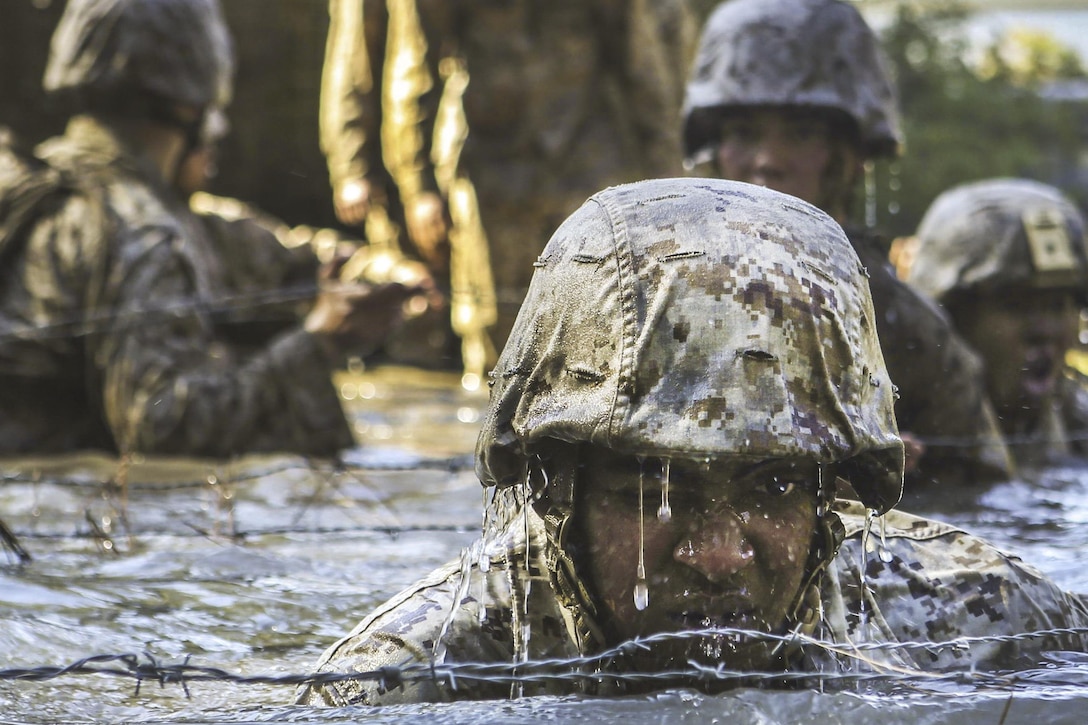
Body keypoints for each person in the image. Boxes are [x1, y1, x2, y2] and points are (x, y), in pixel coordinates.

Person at [295, 178, 1088, 707]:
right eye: (652, 487)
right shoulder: (412, 679)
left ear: (834, 496)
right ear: (554, 486)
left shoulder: (984, 617)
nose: (716, 556)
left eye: (775, 485)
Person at [0, 0, 417, 457]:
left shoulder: (36, 185)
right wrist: (318, 345)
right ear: (188, 104)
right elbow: (164, 431)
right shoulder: (142, 234)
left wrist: (377, 268)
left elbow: (268, 252)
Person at [681, 0, 1012, 488]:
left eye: (801, 134)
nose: (767, 160)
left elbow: (986, 497)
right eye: (744, 133)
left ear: (852, 155)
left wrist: (890, 483)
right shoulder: (662, 293)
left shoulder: (904, 326)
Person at [320, 0, 697, 383]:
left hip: (585, 156)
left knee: (601, 333)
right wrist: (418, 187)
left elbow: (640, 65)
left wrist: (666, 176)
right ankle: (489, 433)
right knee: (495, 341)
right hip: (489, 163)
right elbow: (415, 71)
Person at [906, 178, 1088, 468]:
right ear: (949, 318)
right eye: (1016, 305)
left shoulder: (1076, 425)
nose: (1045, 331)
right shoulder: (898, 444)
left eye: (1058, 306)